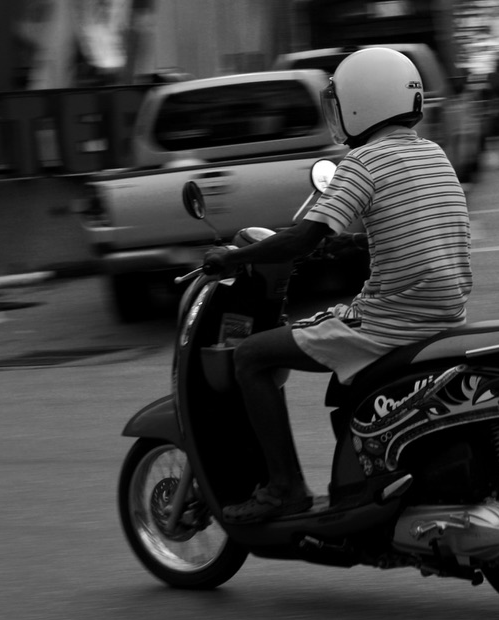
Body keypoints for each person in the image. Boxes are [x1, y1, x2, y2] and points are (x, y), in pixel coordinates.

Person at [201, 47, 473, 523]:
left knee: (251, 356)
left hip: (390, 323)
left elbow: (301, 238)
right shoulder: (433, 154)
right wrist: (347, 245)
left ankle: (284, 489)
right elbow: (416, 231)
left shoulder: (363, 162)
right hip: (444, 315)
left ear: (362, 102)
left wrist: (233, 257)